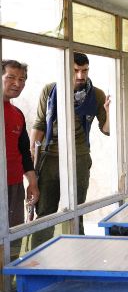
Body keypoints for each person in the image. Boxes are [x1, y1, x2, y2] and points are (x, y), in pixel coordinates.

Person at [30, 53, 110, 246]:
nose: (81, 76)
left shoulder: (96, 95)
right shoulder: (50, 90)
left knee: (76, 211)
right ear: (66, 69)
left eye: (85, 70)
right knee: (45, 213)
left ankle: (76, 255)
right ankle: (38, 262)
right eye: (76, 71)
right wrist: (32, 162)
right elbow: (39, 125)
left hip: (79, 157)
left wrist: (108, 112)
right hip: (50, 158)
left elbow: (106, 130)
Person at [2, 60, 39, 231]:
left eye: (22, 79)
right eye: (11, 77)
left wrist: (32, 183)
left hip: (14, 185)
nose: (17, 84)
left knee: (12, 241)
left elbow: (24, 151)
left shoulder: (17, 114)